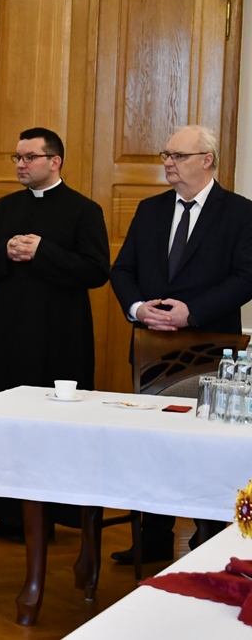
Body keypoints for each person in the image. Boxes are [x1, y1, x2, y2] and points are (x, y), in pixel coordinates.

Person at [109, 124, 252, 564]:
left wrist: (193, 312)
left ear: (207, 160)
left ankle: (207, 538)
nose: (168, 163)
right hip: (152, 347)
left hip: (213, 348)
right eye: (166, 155)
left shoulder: (240, 213)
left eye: (178, 156)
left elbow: (246, 277)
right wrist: (138, 308)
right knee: (154, 443)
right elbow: (122, 270)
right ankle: (152, 537)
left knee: (208, 445)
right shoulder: (150, 209)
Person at [0, 127, 110, 541]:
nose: (21, 165)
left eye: (29, 157)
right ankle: (5, 513)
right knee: (7, 420)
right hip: (9, 335)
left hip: (61, 336)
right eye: (17, 157)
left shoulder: (84, 210)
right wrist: (5, 251)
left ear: (54, 161)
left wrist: (42, 251)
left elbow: (96, 270)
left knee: (54, 427)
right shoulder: (6, 207)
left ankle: (54, 514)